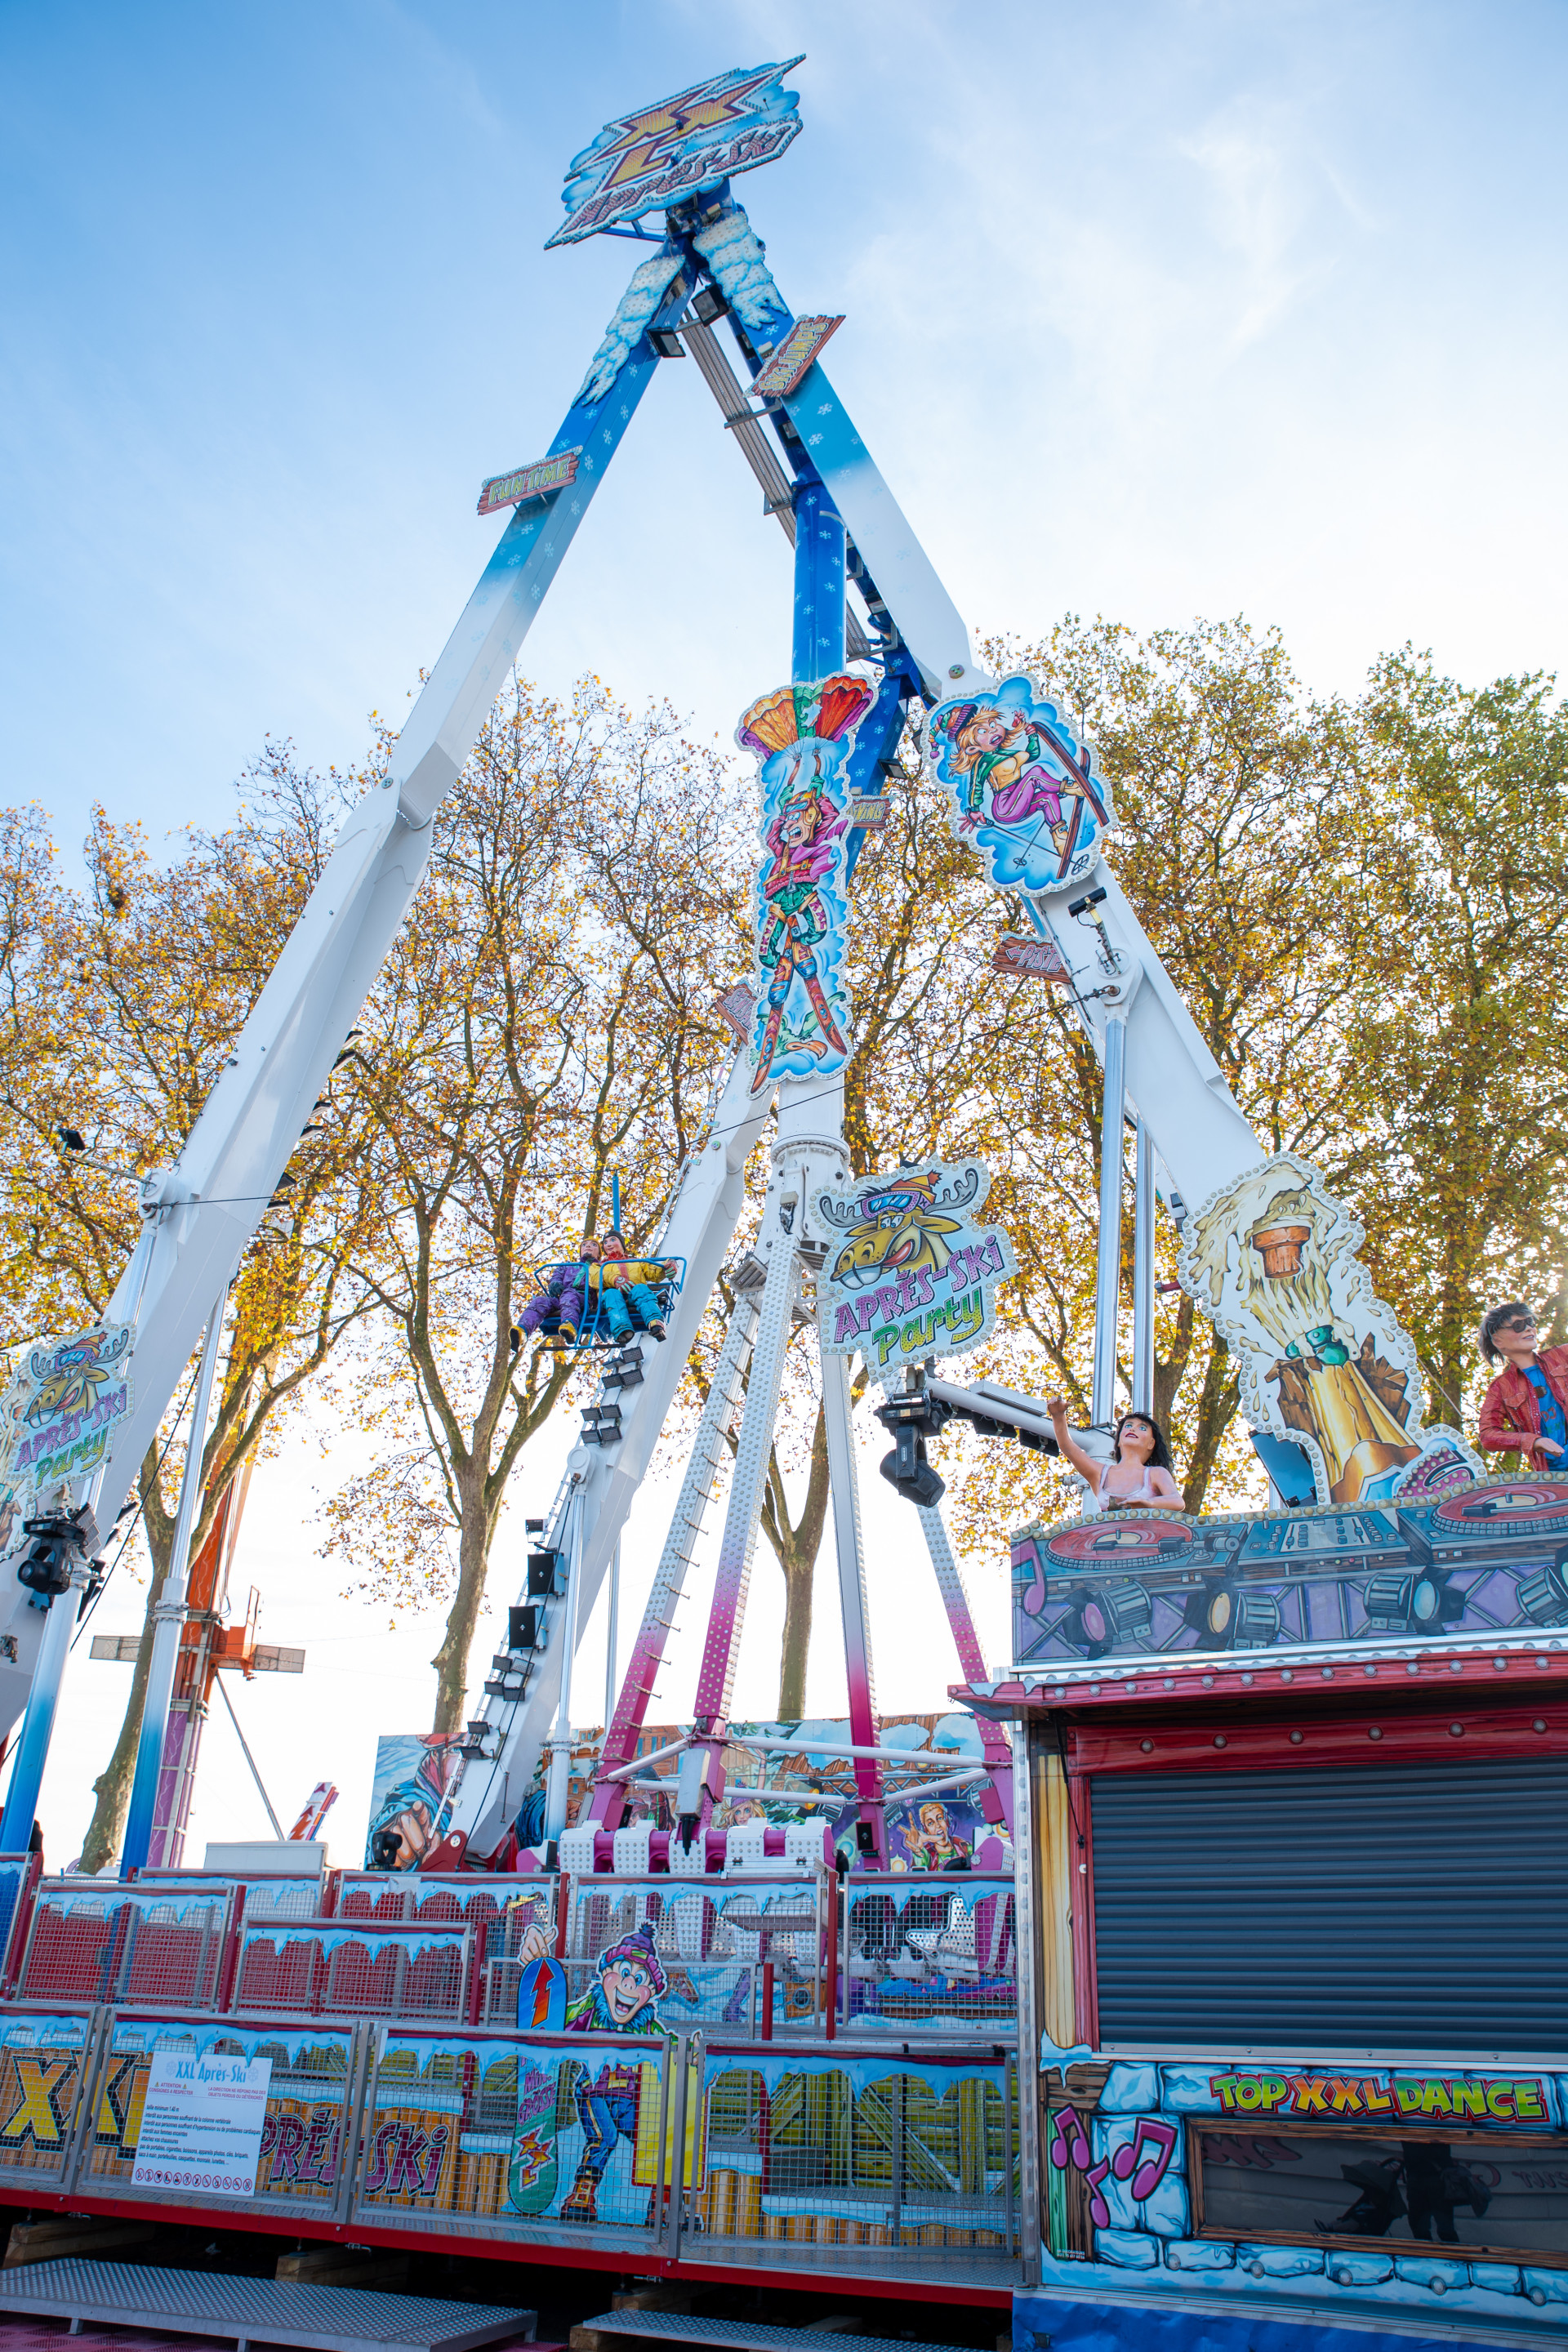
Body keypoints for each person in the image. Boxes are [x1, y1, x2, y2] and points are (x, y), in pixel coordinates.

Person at [1045, 1403, 1187, 1513]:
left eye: (1142, 1428)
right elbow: (1068, 1447)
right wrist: (1058, 1416)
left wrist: (1148, 1503)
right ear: (1118, 1441)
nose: (1132, 1429)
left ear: (1151, 1443)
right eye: (1129, 1426)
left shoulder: (1156, 1473)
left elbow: (1177, 1502)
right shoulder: (1100, 1473)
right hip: (1107, 1544)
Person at [1477, 1302, 1568, 1468]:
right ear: (1498, 1340)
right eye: (1518, 1325)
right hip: (1555, 1478)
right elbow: (1488, 1435)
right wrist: (1532, 1441)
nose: (1528, 1329)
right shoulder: (1501, 1388)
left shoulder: (1563, 1355)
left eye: (1530, 1323)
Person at [516, 1239, 598, 1348]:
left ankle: (570, 1325)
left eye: (593, 1245)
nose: (588, 1246)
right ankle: (523, 1331)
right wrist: (555, 1284)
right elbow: (557, 1275)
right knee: (540, 1301)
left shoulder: (599, 1267)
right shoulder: (569, 1266)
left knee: (569, 1295)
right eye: (584, 1245)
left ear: (599, 1253)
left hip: (584, 1298)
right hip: (562, 1297)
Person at [593, 1232, 670, 1343]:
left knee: (641, 1289)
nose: (608, 1244)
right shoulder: (600, 1266)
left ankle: (655, 1323)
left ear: (621, 1243)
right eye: (605, 1242)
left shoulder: (635, 1262)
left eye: (613, 1240)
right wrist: (615, 1279)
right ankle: (622, 1330)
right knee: (612, 1294)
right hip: (612, 1297)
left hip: (633, 1294)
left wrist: (667, 1266)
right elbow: (594, 1277)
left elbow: (654, 1272)